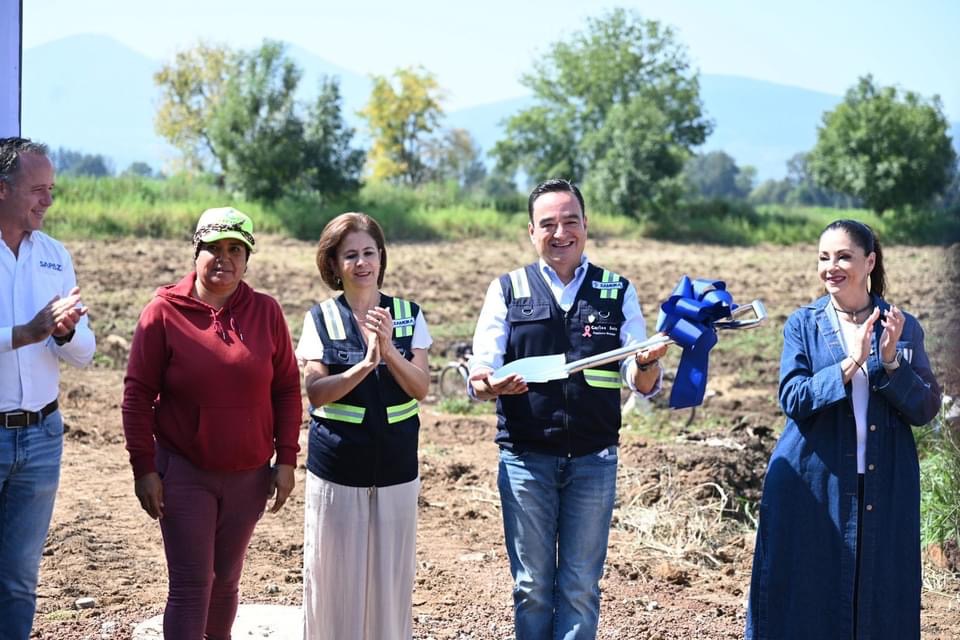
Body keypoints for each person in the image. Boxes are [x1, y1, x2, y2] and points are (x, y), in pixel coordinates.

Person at [468, 178, 667, 639]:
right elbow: (481, 372)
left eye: (570, 221)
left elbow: (639, 380)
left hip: (594, 460)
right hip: (525, 459)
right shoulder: (508, 289)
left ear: (586, 225)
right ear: (531, 232)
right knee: (532, 585)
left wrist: (648, 365)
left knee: (580, 586)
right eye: (548, 224)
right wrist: (489, 384)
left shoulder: (617, 290)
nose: (561, 233)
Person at [746, 220, 941, 639]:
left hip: (884, 484)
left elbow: (925, 408)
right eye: (823, 257)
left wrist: (890, 363)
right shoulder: (804, 324)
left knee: (880, 598)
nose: (830, 267)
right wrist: (850, 363)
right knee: (806, 598)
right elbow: (794, 398)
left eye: (843, 257)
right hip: (813, 482)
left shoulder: (903, 327)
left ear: (869, 262)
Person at [121, 207, 301, 638]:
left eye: (235, 249)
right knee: (191, 585)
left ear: (247, 257)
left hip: (249, 476)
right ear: (196, 252)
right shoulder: (163, 313)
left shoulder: (266, 312)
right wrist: (144, 469)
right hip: (184, 472)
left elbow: (287, 390)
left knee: (225, 582)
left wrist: (287, 459)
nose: (224, 258)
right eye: (214, 248)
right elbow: (137, 395)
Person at [297, 212, 431, 639]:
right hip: (337, 472)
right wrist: (365, 364)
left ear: (381, 257)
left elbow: (421, 387)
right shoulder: (319, 318)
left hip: (395, 471)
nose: (361, 263)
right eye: (350, 254)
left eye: (369, 252)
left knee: (390, 582)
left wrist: (389, 353)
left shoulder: (409, 315)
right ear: (333, 263)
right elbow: (316, 391)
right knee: (333, 580)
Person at [0, 137, 96, 640]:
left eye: (52, 189)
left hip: (41, 437)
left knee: (18, 579)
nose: (48, 201)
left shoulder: (56, 256)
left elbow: (86, 353)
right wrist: (24, 334)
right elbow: (26, 335)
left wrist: (64, 332)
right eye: (38, 189)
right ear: (1, 189)